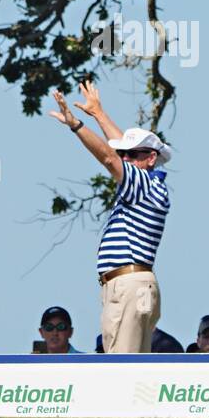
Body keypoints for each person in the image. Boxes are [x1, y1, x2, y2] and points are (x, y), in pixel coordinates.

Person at [49, 81, 170, 353]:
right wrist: (99, 114)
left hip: (127, 285)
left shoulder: (143, 184)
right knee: (130, 368)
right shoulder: (149, 183)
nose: (124, 158)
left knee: (120, 369)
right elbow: (117, 152)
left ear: (151, 158)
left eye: (132, 155)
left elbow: (108, 158)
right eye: (125, 154)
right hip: (132, 284)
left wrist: (76, 125)